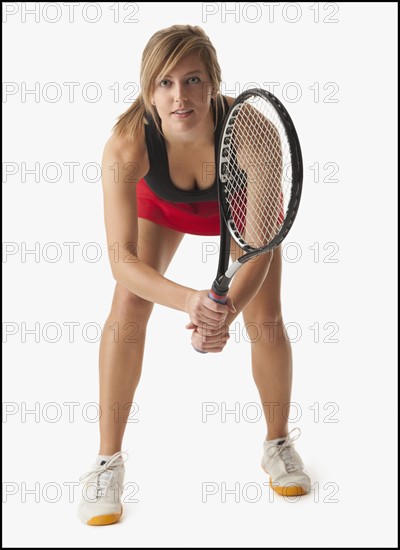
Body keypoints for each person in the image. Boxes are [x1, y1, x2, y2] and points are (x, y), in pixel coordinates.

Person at [77, 24, 311, 526]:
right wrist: (190, 302)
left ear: (215, 82)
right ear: (148, 90)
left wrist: (224, 315)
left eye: (193, 80)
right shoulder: (125, 145)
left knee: (265, 318)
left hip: (242, 214)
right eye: (165, 83)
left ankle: (277, 442)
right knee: (127, 306)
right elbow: (121, 261)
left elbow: (259, 245)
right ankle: (106, 462)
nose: (179, 96)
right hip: (164, 208)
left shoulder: (254, 134)